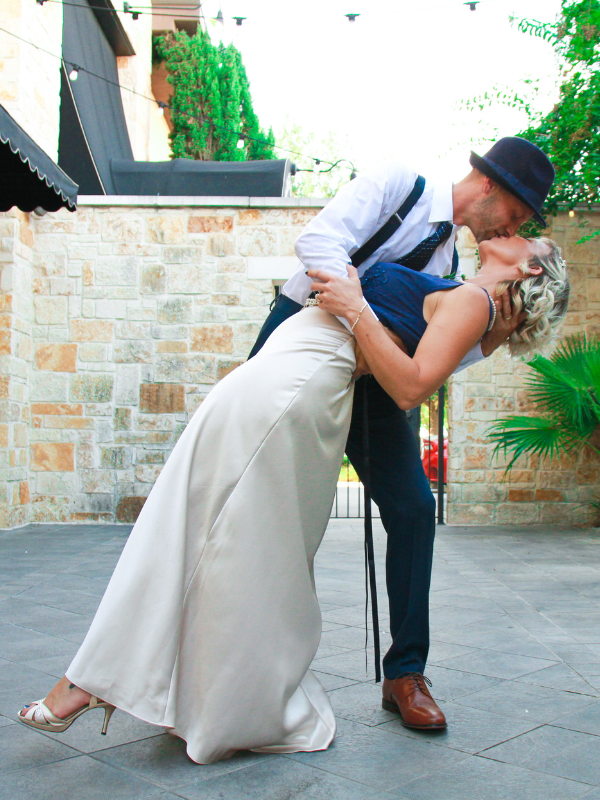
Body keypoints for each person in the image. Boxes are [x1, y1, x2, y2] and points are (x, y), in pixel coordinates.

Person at [18, 233, 569, 765]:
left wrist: (357, 310)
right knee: (213, 543)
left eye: (531, 240)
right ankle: (153, 688)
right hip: (275, 381)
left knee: (218, 547)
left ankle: (98, 683)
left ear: (532, 268)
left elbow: (409, 387)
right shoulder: (465, 291)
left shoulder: (477, 301)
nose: (519, 234)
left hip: (292, 389)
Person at [247, 136, 556, 729]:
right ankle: (249, 659)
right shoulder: (398, 186)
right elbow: (318, 241)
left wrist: (410, 344)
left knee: (414, 509)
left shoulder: (455, 269)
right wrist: (355, 306)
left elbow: (431, 353)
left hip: (378, 379)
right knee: (250, 493)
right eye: (515, 215)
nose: (508, 228)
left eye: (519, 226)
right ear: (490, 185)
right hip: (301, 337)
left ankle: (405, 674)